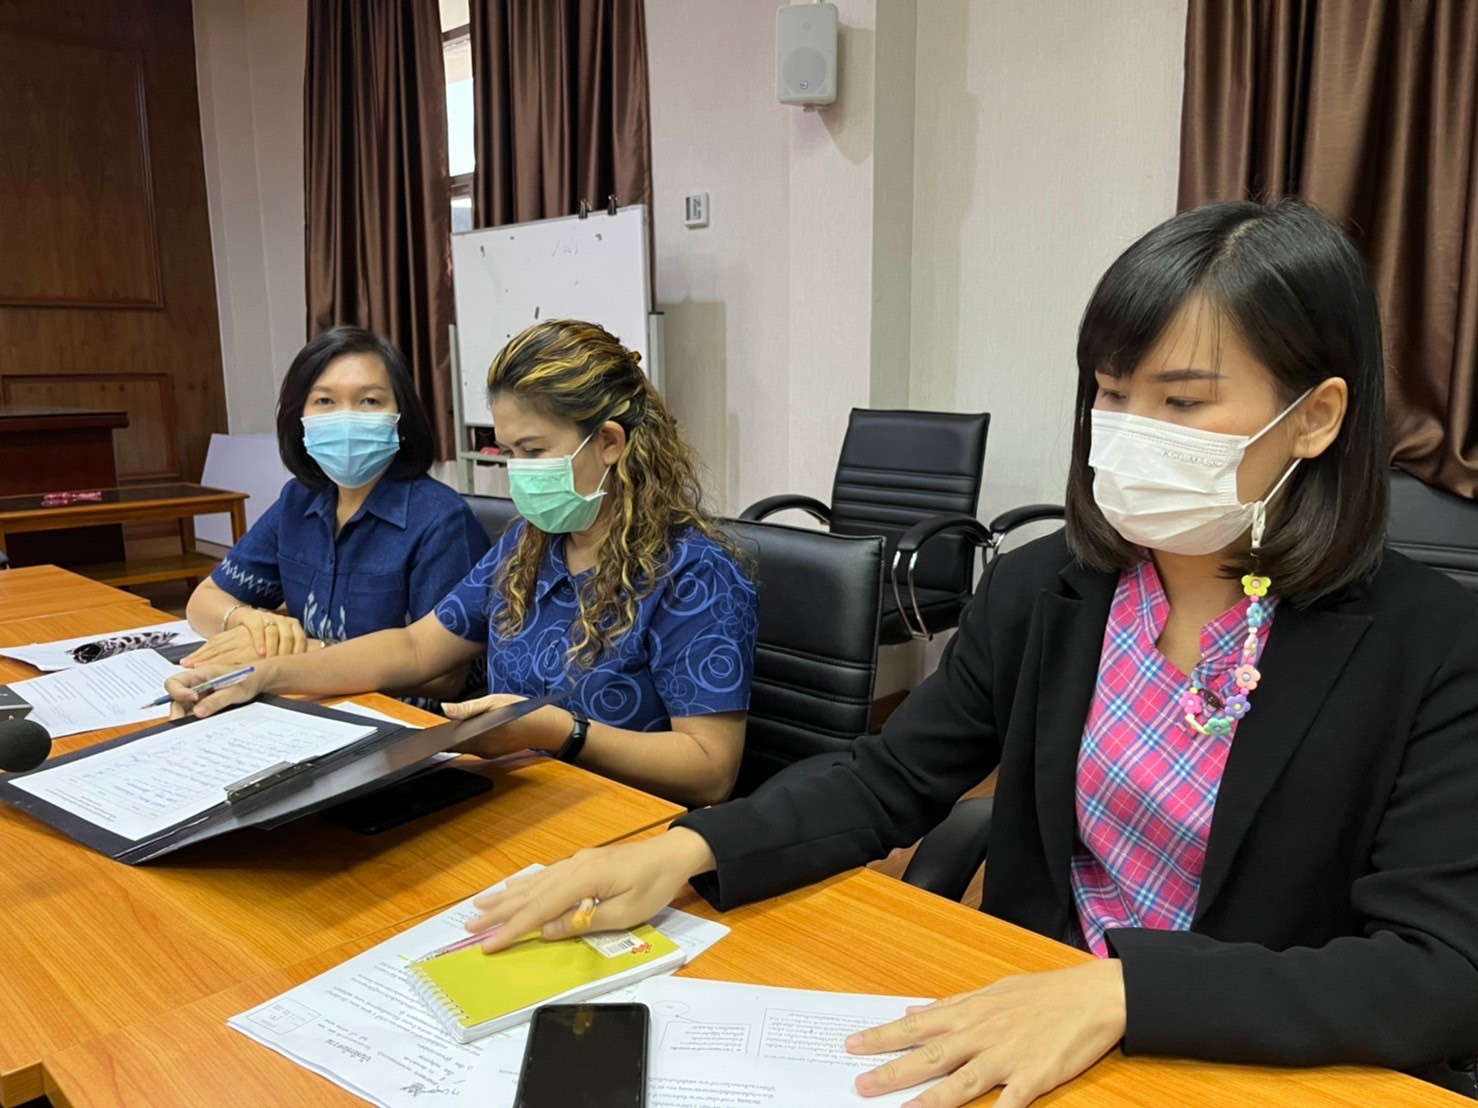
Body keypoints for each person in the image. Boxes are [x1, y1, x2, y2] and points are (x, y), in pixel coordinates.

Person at [451, 201, 1478, 1105]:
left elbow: (1439, 967)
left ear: (1315, 418)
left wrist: (1122, 991)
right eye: (1111, 394)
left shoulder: (1430, 644)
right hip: (1019, 1022)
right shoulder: (1047, 590)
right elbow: (889, 778)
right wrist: (686, 849)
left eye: (1180, 403)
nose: (1128, 432)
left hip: (1242, 1057)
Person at [169, 319, 759, 808]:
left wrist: (559, 731)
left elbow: (710, 771)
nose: (518, 471)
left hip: (622, 827)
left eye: (534, 451)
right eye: (509, 451)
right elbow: (415, 648)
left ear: (608, 442)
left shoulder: (694, 572)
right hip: (515, 802)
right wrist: (266, 675)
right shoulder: (529, 544)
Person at [183, 327, 492, 702]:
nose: (346, 419)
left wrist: (302, 654)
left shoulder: (441, 519)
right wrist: (249, 621)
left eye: (370, 401)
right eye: (325, 401)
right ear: (300, 417)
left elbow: (444, 676)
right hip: (310, 701)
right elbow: (204, 600)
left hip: (403, 718)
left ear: (401, 417)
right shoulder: (298, 500)